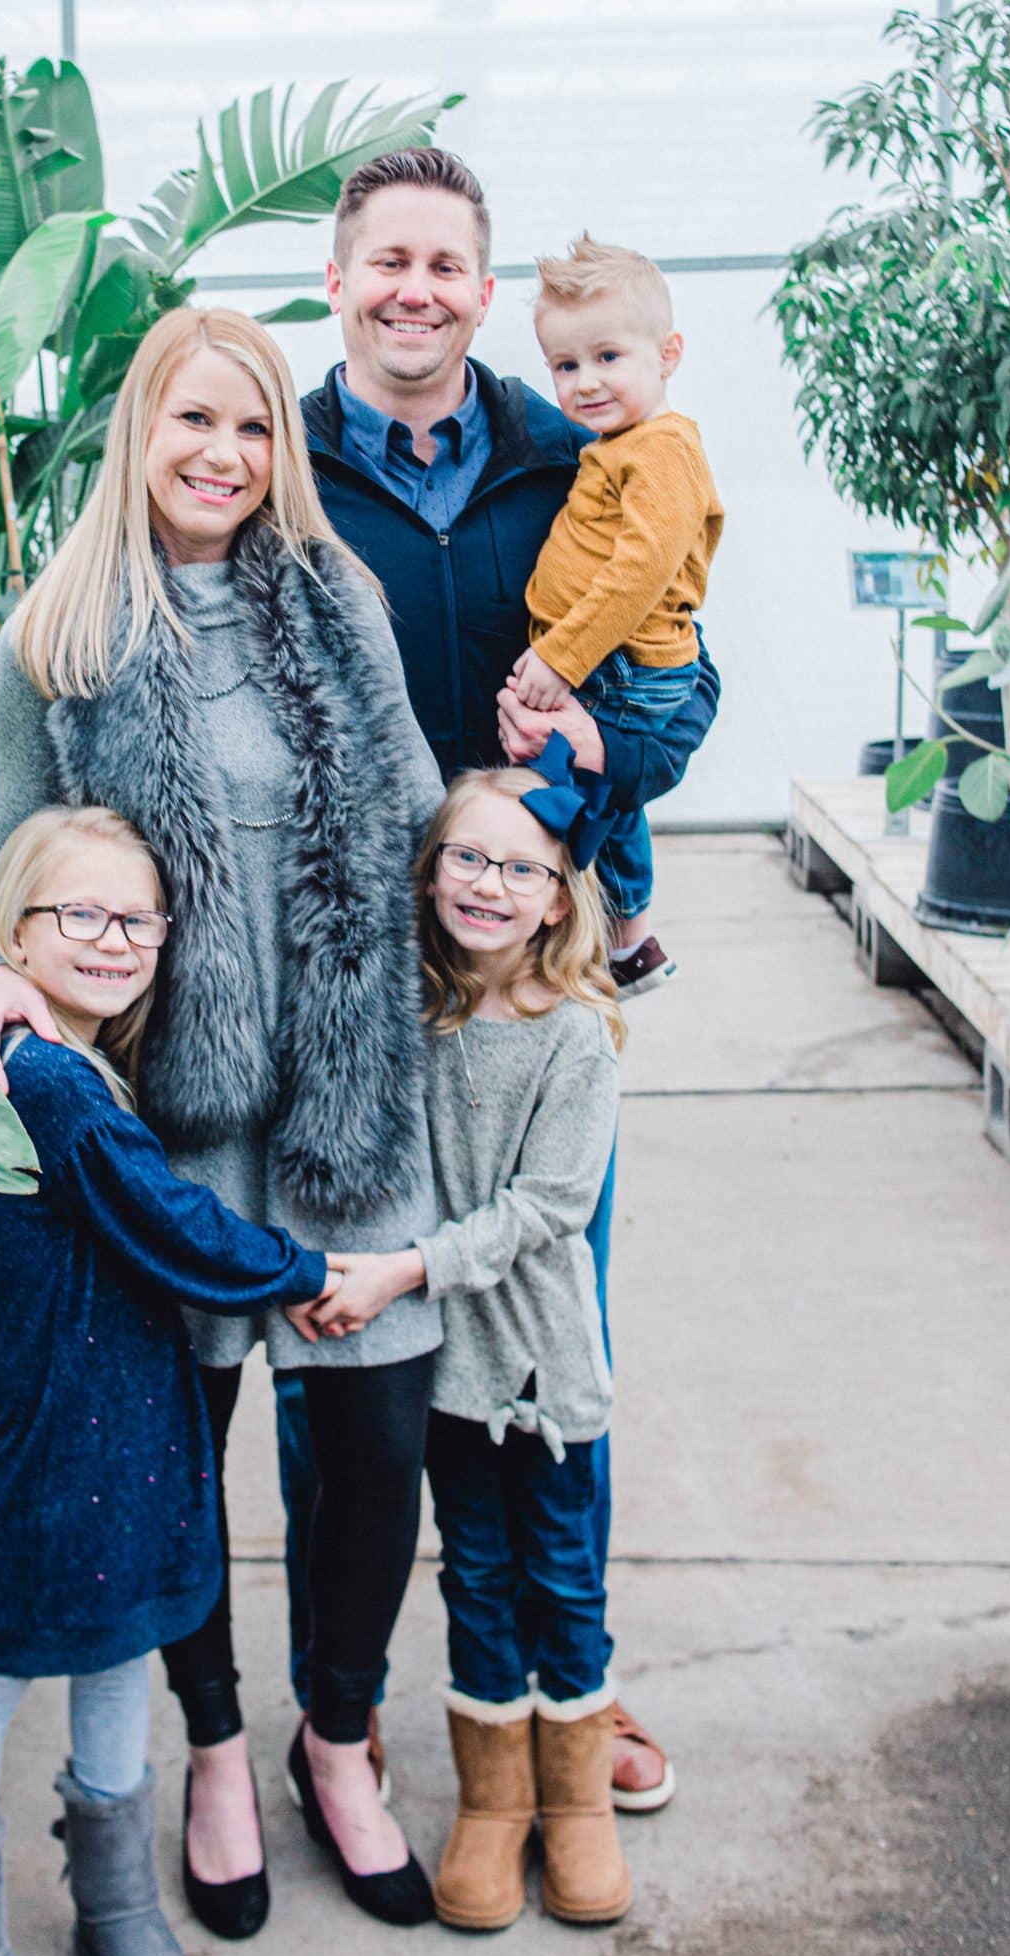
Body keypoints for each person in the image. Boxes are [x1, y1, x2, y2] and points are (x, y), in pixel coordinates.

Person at [0, 306, 449, 1934]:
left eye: (249, 428)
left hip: (350, 1097)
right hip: (164, 1112)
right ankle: (218, 1749)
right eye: (191, 423)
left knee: (372, 1446)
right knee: (175, 1461)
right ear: (138, 433)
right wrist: (3, 987)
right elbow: (11, 852)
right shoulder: (62, 632)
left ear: (278, 448)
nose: (221, 457)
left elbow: (417, 814)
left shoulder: (340, 601)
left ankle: (338, 1733)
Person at [283, 145, 695, 1821]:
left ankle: (561, 1679)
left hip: (528, 1002)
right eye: (385, 261)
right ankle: (348, 1702)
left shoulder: (567, 449)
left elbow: (677, 696)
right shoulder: (282, 465)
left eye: (445, 264)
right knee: (352, 1353)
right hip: (351, 996)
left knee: (543, 1337)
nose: (414, 290)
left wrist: (572, 809)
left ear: (479, 283)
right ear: (338, 281)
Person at [0, 806, 334, 1956]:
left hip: (121, 1416)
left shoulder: (67, 1057)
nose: (114, 939)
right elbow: (171, 1224)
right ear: (12, 933)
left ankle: (115, 1900)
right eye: (79, 913)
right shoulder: (43, 1081)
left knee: (121, 1639)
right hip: (58, 1427)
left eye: (136, 918)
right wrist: (301, 1269)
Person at [310, 742, 630, 1929]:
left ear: (559, 894)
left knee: (561, 1574)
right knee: (477, 1575)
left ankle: (576, 1803)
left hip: (542, 1371)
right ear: (429, 866)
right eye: (467, 858)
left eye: (522, 867)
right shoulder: (416, 1011)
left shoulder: (576, 1032)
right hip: (446, 1376)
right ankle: (494, 1807)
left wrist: (407, 1267)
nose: (489, 885)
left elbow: (549, 1209)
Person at [509, 234, 725, 996]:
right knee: (603, 793)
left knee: (580, 790)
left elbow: (638, 573)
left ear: (667, 353)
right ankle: (624, 933)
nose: (585, 382)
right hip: (612, 659)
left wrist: (561, 657)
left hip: (621, 665)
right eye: (565, 366)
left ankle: (608, 928)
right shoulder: (619, 443)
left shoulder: (661, 450)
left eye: (608, 358)